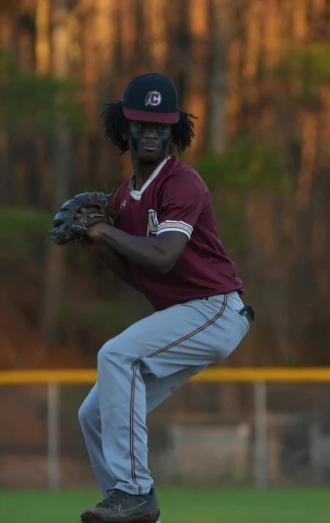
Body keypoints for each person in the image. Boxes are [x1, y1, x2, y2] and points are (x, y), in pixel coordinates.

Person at [75, 72, 253, 523]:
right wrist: (97, 245)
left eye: (160, 125)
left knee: (116, 356)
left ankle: (135, 491)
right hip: (186, 315)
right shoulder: (123, 197)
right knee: (94, 414)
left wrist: (107, 231)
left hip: (216, 309)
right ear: (125, 127)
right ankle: (125, 505)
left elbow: (163, 257)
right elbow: (143, 278)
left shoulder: (181, 183)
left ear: (174, 130)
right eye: (141, 123)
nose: (151, 132)